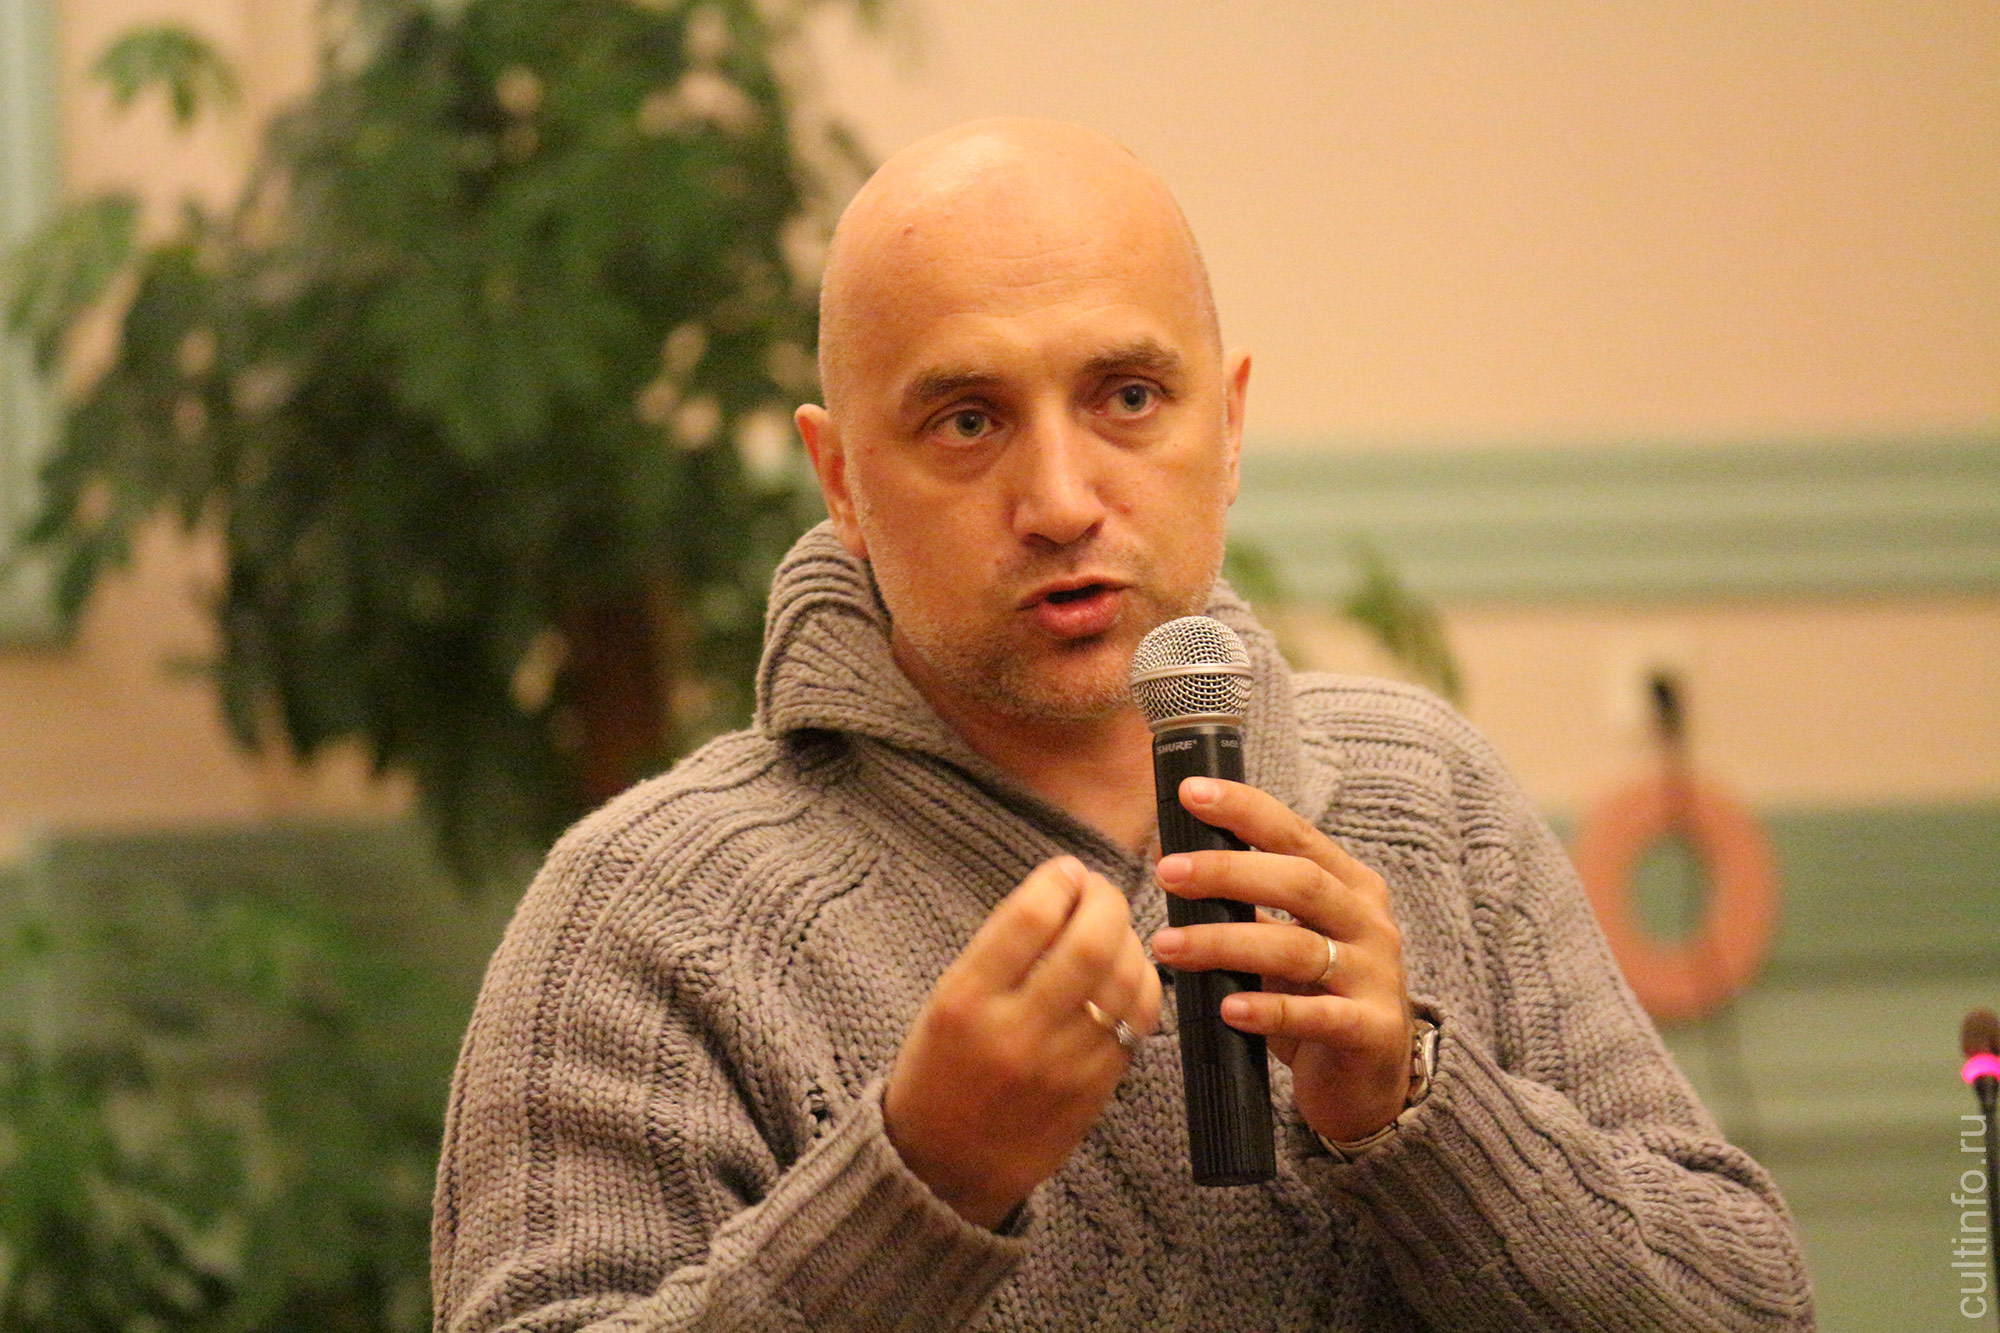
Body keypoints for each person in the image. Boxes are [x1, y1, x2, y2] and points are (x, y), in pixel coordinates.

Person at [430, 118, 1814, 1331]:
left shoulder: (1423, 795)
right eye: (967, 421)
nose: (1060, 501)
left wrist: (1421, 1113)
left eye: (1129, 399)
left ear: (1231, 426)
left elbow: (1751, 1305)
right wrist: (915, 1185)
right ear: (840, 479)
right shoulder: (649, 912)